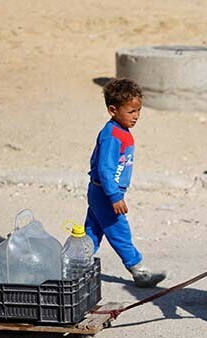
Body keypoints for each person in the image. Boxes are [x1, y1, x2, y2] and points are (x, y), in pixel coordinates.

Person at [85, 78, 166, 288]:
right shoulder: (112, 136)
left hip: (101, 191)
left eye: (138, 110)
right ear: (113, 110)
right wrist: (115, 196)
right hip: (105, 193)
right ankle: (138, 270)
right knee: (119, 231)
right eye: (131, 111)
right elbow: (105, 168)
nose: (136, 116)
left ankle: (75, 265)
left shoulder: (120, 132)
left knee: (92, 231)